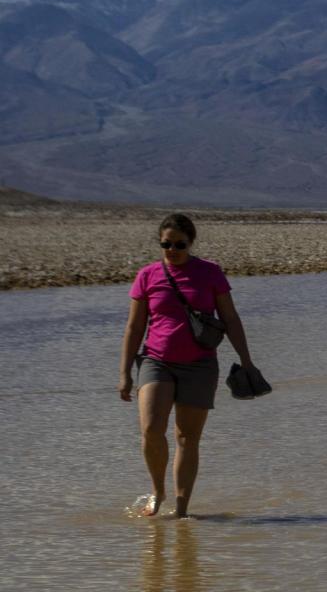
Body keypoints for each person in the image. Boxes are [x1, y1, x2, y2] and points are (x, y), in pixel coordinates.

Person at [118, 213, 257, 518]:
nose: (172, 250)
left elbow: (230, 319)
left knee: (186, 438)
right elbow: (133, 328)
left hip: (199, 365)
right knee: (152, 430)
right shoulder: (148, 275)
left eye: (179, 244)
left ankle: (181, 511)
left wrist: (246, 361)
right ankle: (158, 492)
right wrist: (125, 372)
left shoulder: (210, 273)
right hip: (156, 360)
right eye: (166, 244)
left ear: (191, 243)